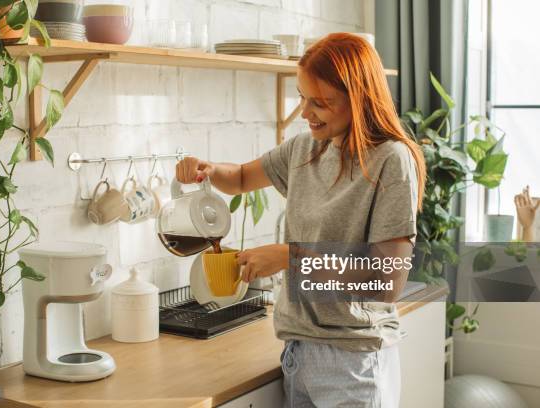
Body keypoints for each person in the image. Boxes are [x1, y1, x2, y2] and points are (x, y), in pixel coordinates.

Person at [175, 32, 426, 408]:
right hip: (298, 351)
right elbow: (242, 177)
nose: (306, 112)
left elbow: (387, 279)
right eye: (302, 97)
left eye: (320, 103)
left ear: (357, 100)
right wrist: (209, 169)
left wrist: (290, 258)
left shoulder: (391, 160)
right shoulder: (305, 149)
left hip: (353, 362)